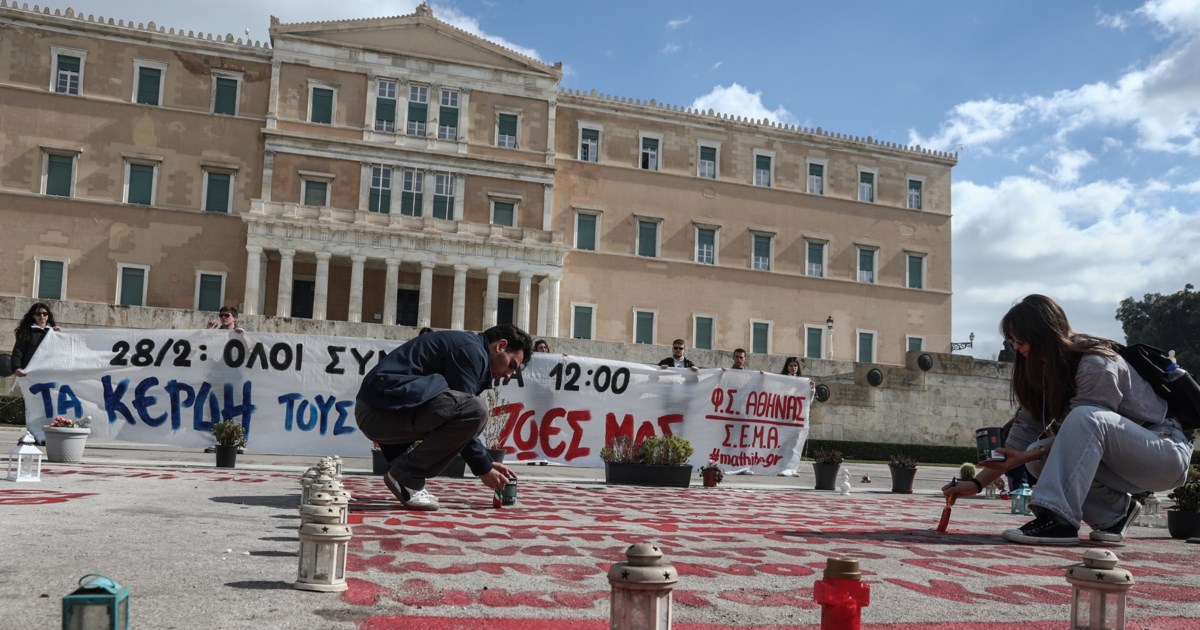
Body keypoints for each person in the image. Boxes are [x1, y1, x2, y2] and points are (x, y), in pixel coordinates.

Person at [941, 294, 1191, 545]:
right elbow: (1020, 439)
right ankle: (1115, 513)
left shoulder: (1096, 362)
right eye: (1010, 340)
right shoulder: (1044, 374)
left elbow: (1089, 425)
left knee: (1079, 422)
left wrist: (1030, 455)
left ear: (1042, 333)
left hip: (1164, 453)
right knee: (1038, 457)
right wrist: (975, 483)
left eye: (1019, 339)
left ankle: (1058, 519)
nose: (1015, 347)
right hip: (1121, 464)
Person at [355, 324, 530, 511]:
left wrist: (487, 460)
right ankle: (406, 476)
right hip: (379, 413)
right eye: (512, 365)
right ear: (500, 346)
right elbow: (464, 413)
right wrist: (484, 468)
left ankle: (403, 472)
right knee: (476, 410)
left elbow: (451, 415)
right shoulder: (471, 351)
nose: (508, 375)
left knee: (469, 411)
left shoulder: (468, 347)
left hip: (379, 413)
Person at [11, 302, 60, 377]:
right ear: (33, 316)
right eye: (38, 314)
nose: (42, 316)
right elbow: (18, 351)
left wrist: (60, 334)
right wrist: (16, 367)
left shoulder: (55, 332)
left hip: (49, 372)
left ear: (48, 316)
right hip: (30, 372)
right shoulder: (26, 332)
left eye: (44, 313)